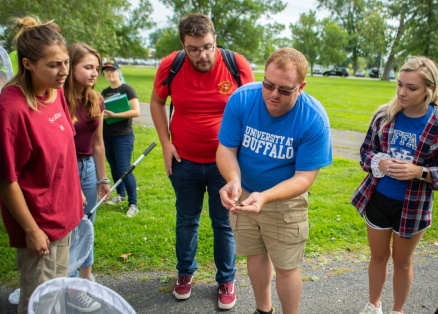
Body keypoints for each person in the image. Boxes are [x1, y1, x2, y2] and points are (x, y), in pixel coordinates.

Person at [150, 12, 254, 310]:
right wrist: (166, 143)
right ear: (183, 45)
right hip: (184, 161)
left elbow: (252, 106)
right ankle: (185, 274)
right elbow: (157, 101)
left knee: (224, 222)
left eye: (207, 46)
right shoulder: (172, 65)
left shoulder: (236, 65)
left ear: (215, 40)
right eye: (193, 49)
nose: (202, 54)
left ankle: (227, 279)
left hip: (226, 164)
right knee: (186, 220)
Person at [216, 47, 332, 314]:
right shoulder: (242, 99)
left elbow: (304, 178)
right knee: (254, 254)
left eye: (284, 89)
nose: (273, 94)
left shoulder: (313, 118)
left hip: (285, 201)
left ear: (301, 87)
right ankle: (263, 310)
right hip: (244, 193)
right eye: (268, 85)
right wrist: (233, 179)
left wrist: (266, 196)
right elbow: (227, 148)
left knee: (286, 265)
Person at [0, 16, 83, 313]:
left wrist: (76, 192)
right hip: (39, 223)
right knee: (39, 301)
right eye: (54, 65)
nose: (63, 72)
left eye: (65, 62)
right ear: (27, 64)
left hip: (65, 212)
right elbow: (6, 180)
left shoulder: (55, 89)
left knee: (56, 291)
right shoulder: (11, 109)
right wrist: (31, 230)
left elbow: (64, 147)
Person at [351, 56, 438, 314]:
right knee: (378, 257)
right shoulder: (384, 115)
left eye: (412, 88)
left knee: (402, 263)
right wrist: (380, 162)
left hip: (413, 206)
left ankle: (397, 310)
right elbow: (366, 153)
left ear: (429, 90)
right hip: (378, 198)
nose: (402, 92)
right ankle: (373, 304)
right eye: (399, 84)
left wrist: (419, 172)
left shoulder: (435, 124)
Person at [64, 43, 111, 283]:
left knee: (87, 224)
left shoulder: (96, 99)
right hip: (64, 168)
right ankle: (67, 277)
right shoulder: (58, 99)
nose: (94, 73)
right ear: (71, 66)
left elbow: (98, 144)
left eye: (97, 68)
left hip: (88, 168)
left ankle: (86, 278)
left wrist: (103, 179)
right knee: (68, 226)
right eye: (88, 67)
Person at [101, 59, 140, 217]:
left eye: (113, 70)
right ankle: (121, 195)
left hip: (123, 136)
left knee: (125, 169)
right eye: (107, 71)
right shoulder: (104, 92)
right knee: (114, 167)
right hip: (107, 135)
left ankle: (133, 203)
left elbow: (136, 111)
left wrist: (114, 114)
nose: (110, 73)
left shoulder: (127, 89)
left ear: (118, 71)